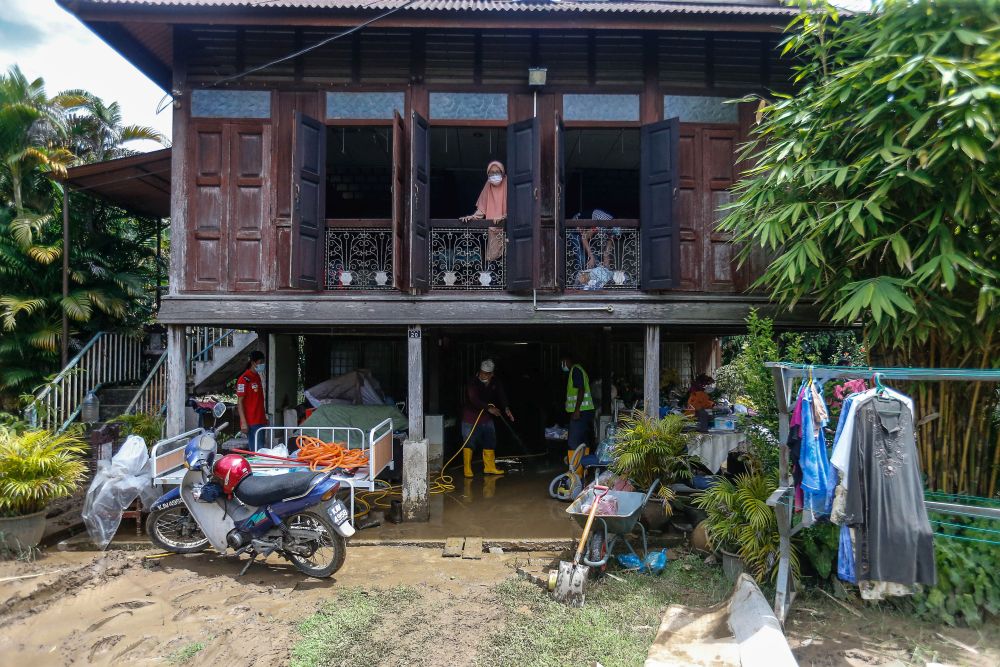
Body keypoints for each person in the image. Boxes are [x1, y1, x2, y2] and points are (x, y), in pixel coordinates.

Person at [461, 359, 514, 478]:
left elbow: (501, 394)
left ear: (491, 374)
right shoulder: (472, 382)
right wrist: (489, 408)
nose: (483, 375)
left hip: (485, 418)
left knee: (490, 439)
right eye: (482, 372)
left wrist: (506, 408)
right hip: (470, 417)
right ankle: (467, 469)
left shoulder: (495, 382)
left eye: (486, 373)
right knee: (469, 442)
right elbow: (473, 399)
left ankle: (489, 467)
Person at [460, 161, 507, 263]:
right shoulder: (488, 186)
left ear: (502, 173)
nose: (494, 175)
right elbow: (482, 208)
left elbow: (515, 207)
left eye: (497, 172)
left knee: (510, 260)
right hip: (493, 230)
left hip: (508, 230)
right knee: (495, 262)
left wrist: (504, 217)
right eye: (491, 173)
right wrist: (472, 217)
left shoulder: (508, 184)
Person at [561, 353, 595, 475]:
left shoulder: (575, 370)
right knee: (583, 441)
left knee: (573, 442)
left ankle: (575, 471)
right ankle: (582, 471)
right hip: (585, 412)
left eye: (563, 362)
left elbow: (581, 390)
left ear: (567, 360)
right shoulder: (579, 370)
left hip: (580, 412)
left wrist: (576, 410)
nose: (562, 365)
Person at [236, 350, 268, 449]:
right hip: (251, 421)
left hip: (260, 420)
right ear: (253, 362)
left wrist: (264, 417)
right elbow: (240, 402)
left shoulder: (257, 376)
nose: (262, 364)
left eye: (263, 362)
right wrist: (243, 422)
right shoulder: (244, 379)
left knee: (261, 449)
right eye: (260, 362)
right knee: (256, 451)